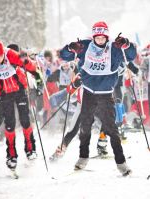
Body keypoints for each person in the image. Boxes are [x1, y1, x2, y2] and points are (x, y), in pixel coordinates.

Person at [59, 21, 137, 176]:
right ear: (93, 36)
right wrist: (70, 48)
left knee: (112, 130)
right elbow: (64, 56)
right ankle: (83, 158)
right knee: (85, 126)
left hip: (106, 94)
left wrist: (126, 44)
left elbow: (131, 55)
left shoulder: (114, 48)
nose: (100, 40)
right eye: (97, 37)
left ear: (106, 36)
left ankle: (121, 163)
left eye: (103, 37)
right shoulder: (85, 46)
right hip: (88, 92)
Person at [0, 40, 41, 170]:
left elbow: (30, 65)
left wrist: (30, 65)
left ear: (2, 53)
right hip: (5, 93)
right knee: (10, 125)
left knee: (25, 120)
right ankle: (11, 155)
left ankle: (30, 149)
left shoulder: (11, 54)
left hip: (20, 89)